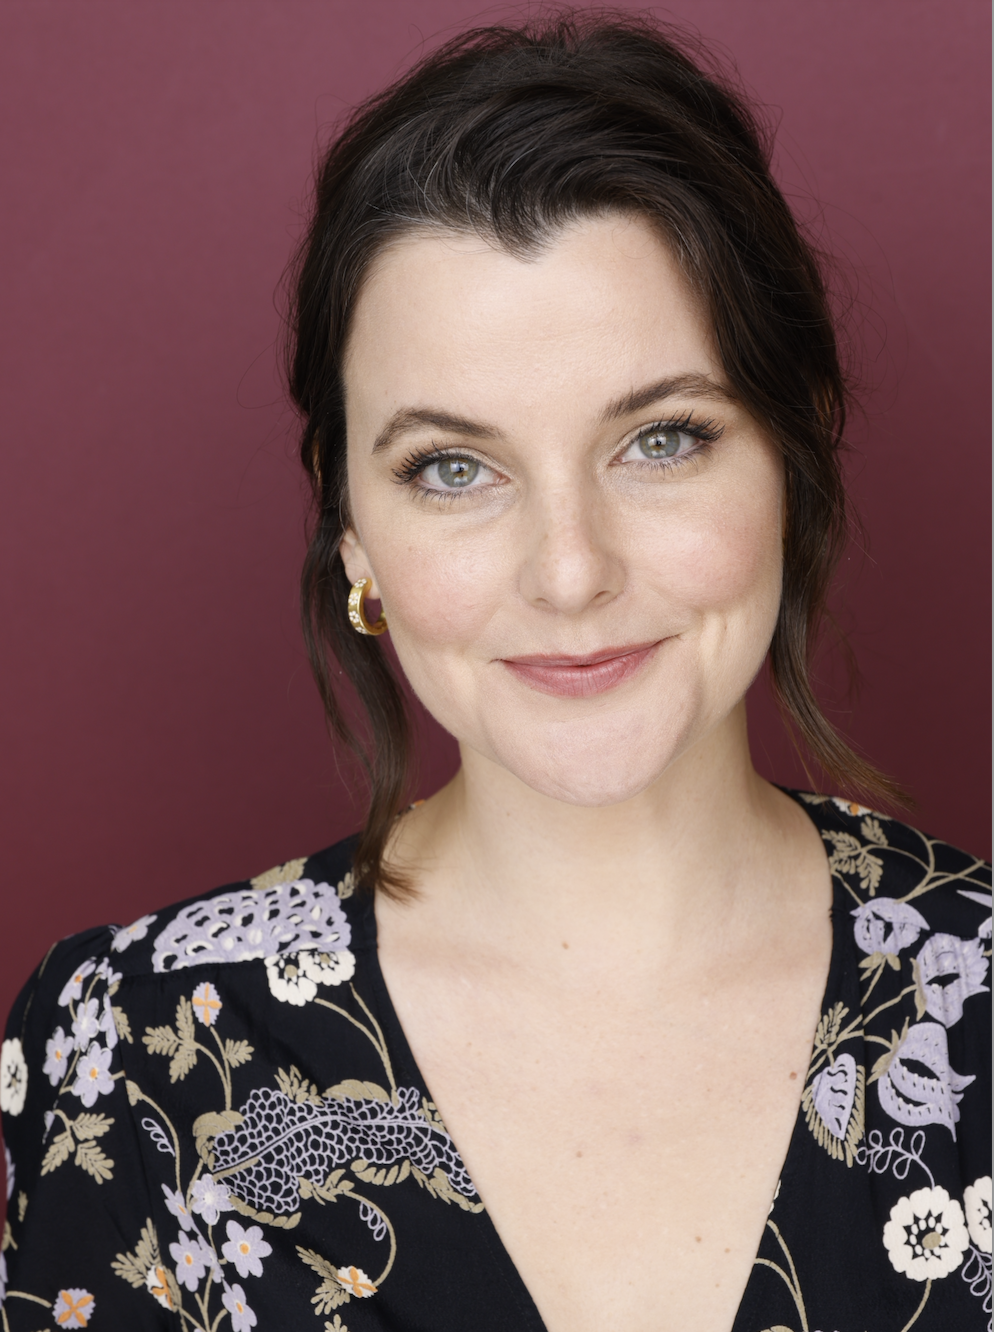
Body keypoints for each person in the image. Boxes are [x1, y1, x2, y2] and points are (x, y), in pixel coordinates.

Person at [1, 13, 989, 1332]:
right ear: (351, 524)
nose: (568, 573)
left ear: (794, 456)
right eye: (451, 468)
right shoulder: (129, 1049)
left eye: (661, 439)